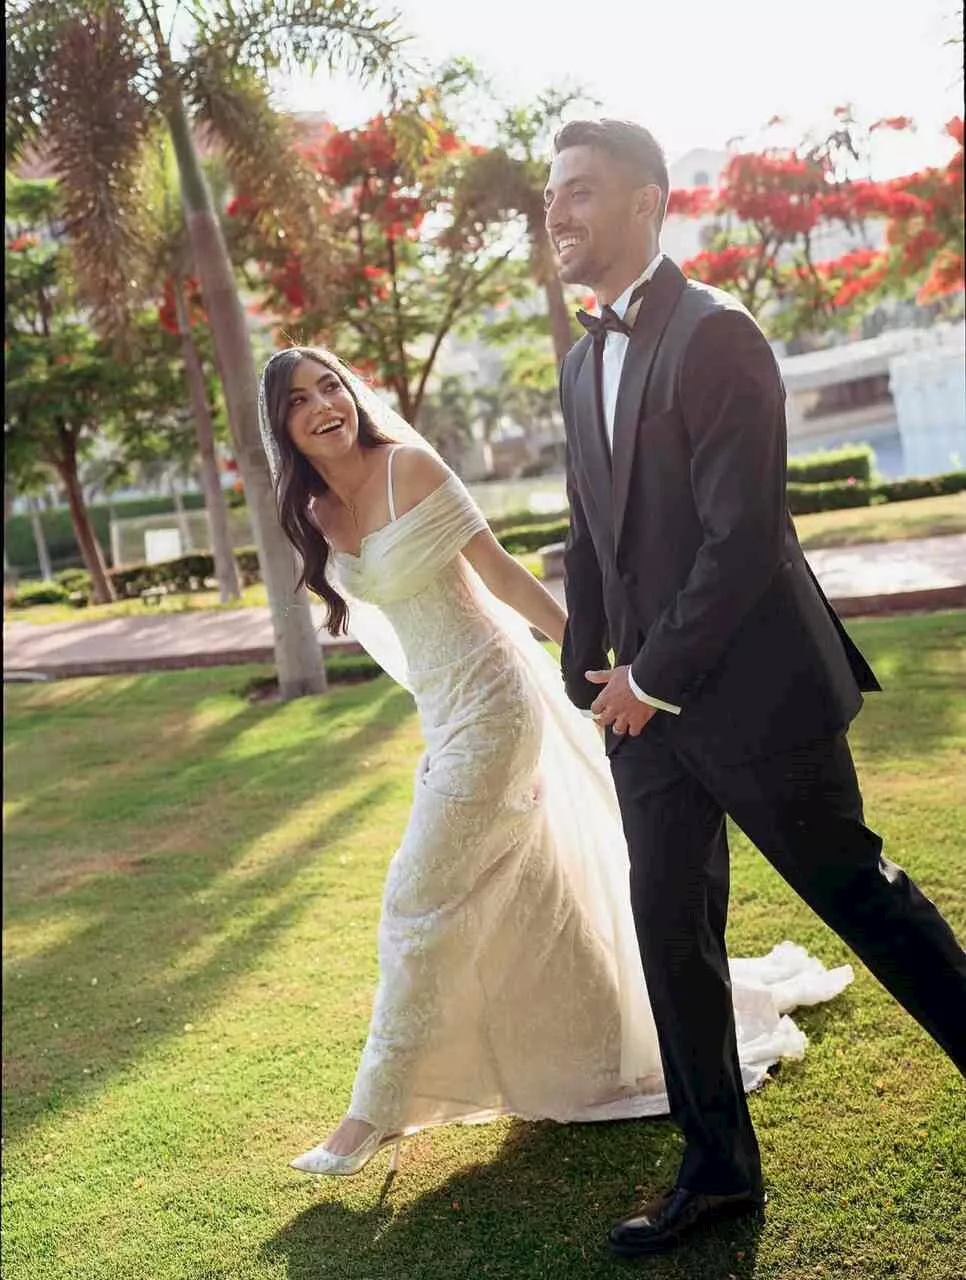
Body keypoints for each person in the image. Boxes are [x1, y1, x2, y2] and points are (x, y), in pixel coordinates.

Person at [256, 347, 855, 1185]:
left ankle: (373, 1113)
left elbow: (502, 575)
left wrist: (593, 664)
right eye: (299, 400)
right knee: (528, 891)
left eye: (331, 386)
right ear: (282, 427)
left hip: (497, 709)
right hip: (446, 720)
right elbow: (399, 632)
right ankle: (600, 1043)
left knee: (414, 896)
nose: (325, 404)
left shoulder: (409, 468)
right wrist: (437, 733)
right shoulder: (317, 512)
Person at [547, 117, 966, 1258]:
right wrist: (589, 667)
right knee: (671, 933)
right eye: (552, 194)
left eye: (580, 190)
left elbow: (741, 540)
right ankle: (719, 1171)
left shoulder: (719, 333)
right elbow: (591, 530)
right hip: (642, 720)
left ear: (648, 201)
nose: (558, 212)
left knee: (860, 895)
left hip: (756, 696)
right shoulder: (579, 360)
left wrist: (652, 675)